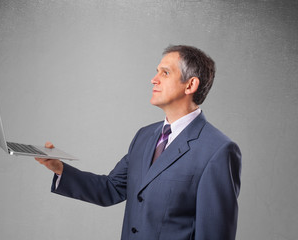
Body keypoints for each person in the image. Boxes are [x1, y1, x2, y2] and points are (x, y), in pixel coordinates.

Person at [35, 45, 242, 240]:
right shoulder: (144, 136)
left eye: (165, 73)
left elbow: (215, 234)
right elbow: (111, 189)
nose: (154, 79)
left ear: (190, 85)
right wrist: (58, 167)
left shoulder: (218, 151)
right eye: (157, 71)